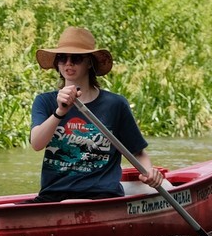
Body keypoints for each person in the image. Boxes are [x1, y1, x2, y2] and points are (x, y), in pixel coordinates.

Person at [29, 27, 164, 202]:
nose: (68, 63)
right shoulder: (44, 101)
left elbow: (138, 153)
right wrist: (60, 111)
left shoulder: (115, 104)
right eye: (62, 57)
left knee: (73, 204)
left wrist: (149, 172)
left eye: (76, 58)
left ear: (89, 63)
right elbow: (37, 143)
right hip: (54, 196)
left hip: (101, 195)